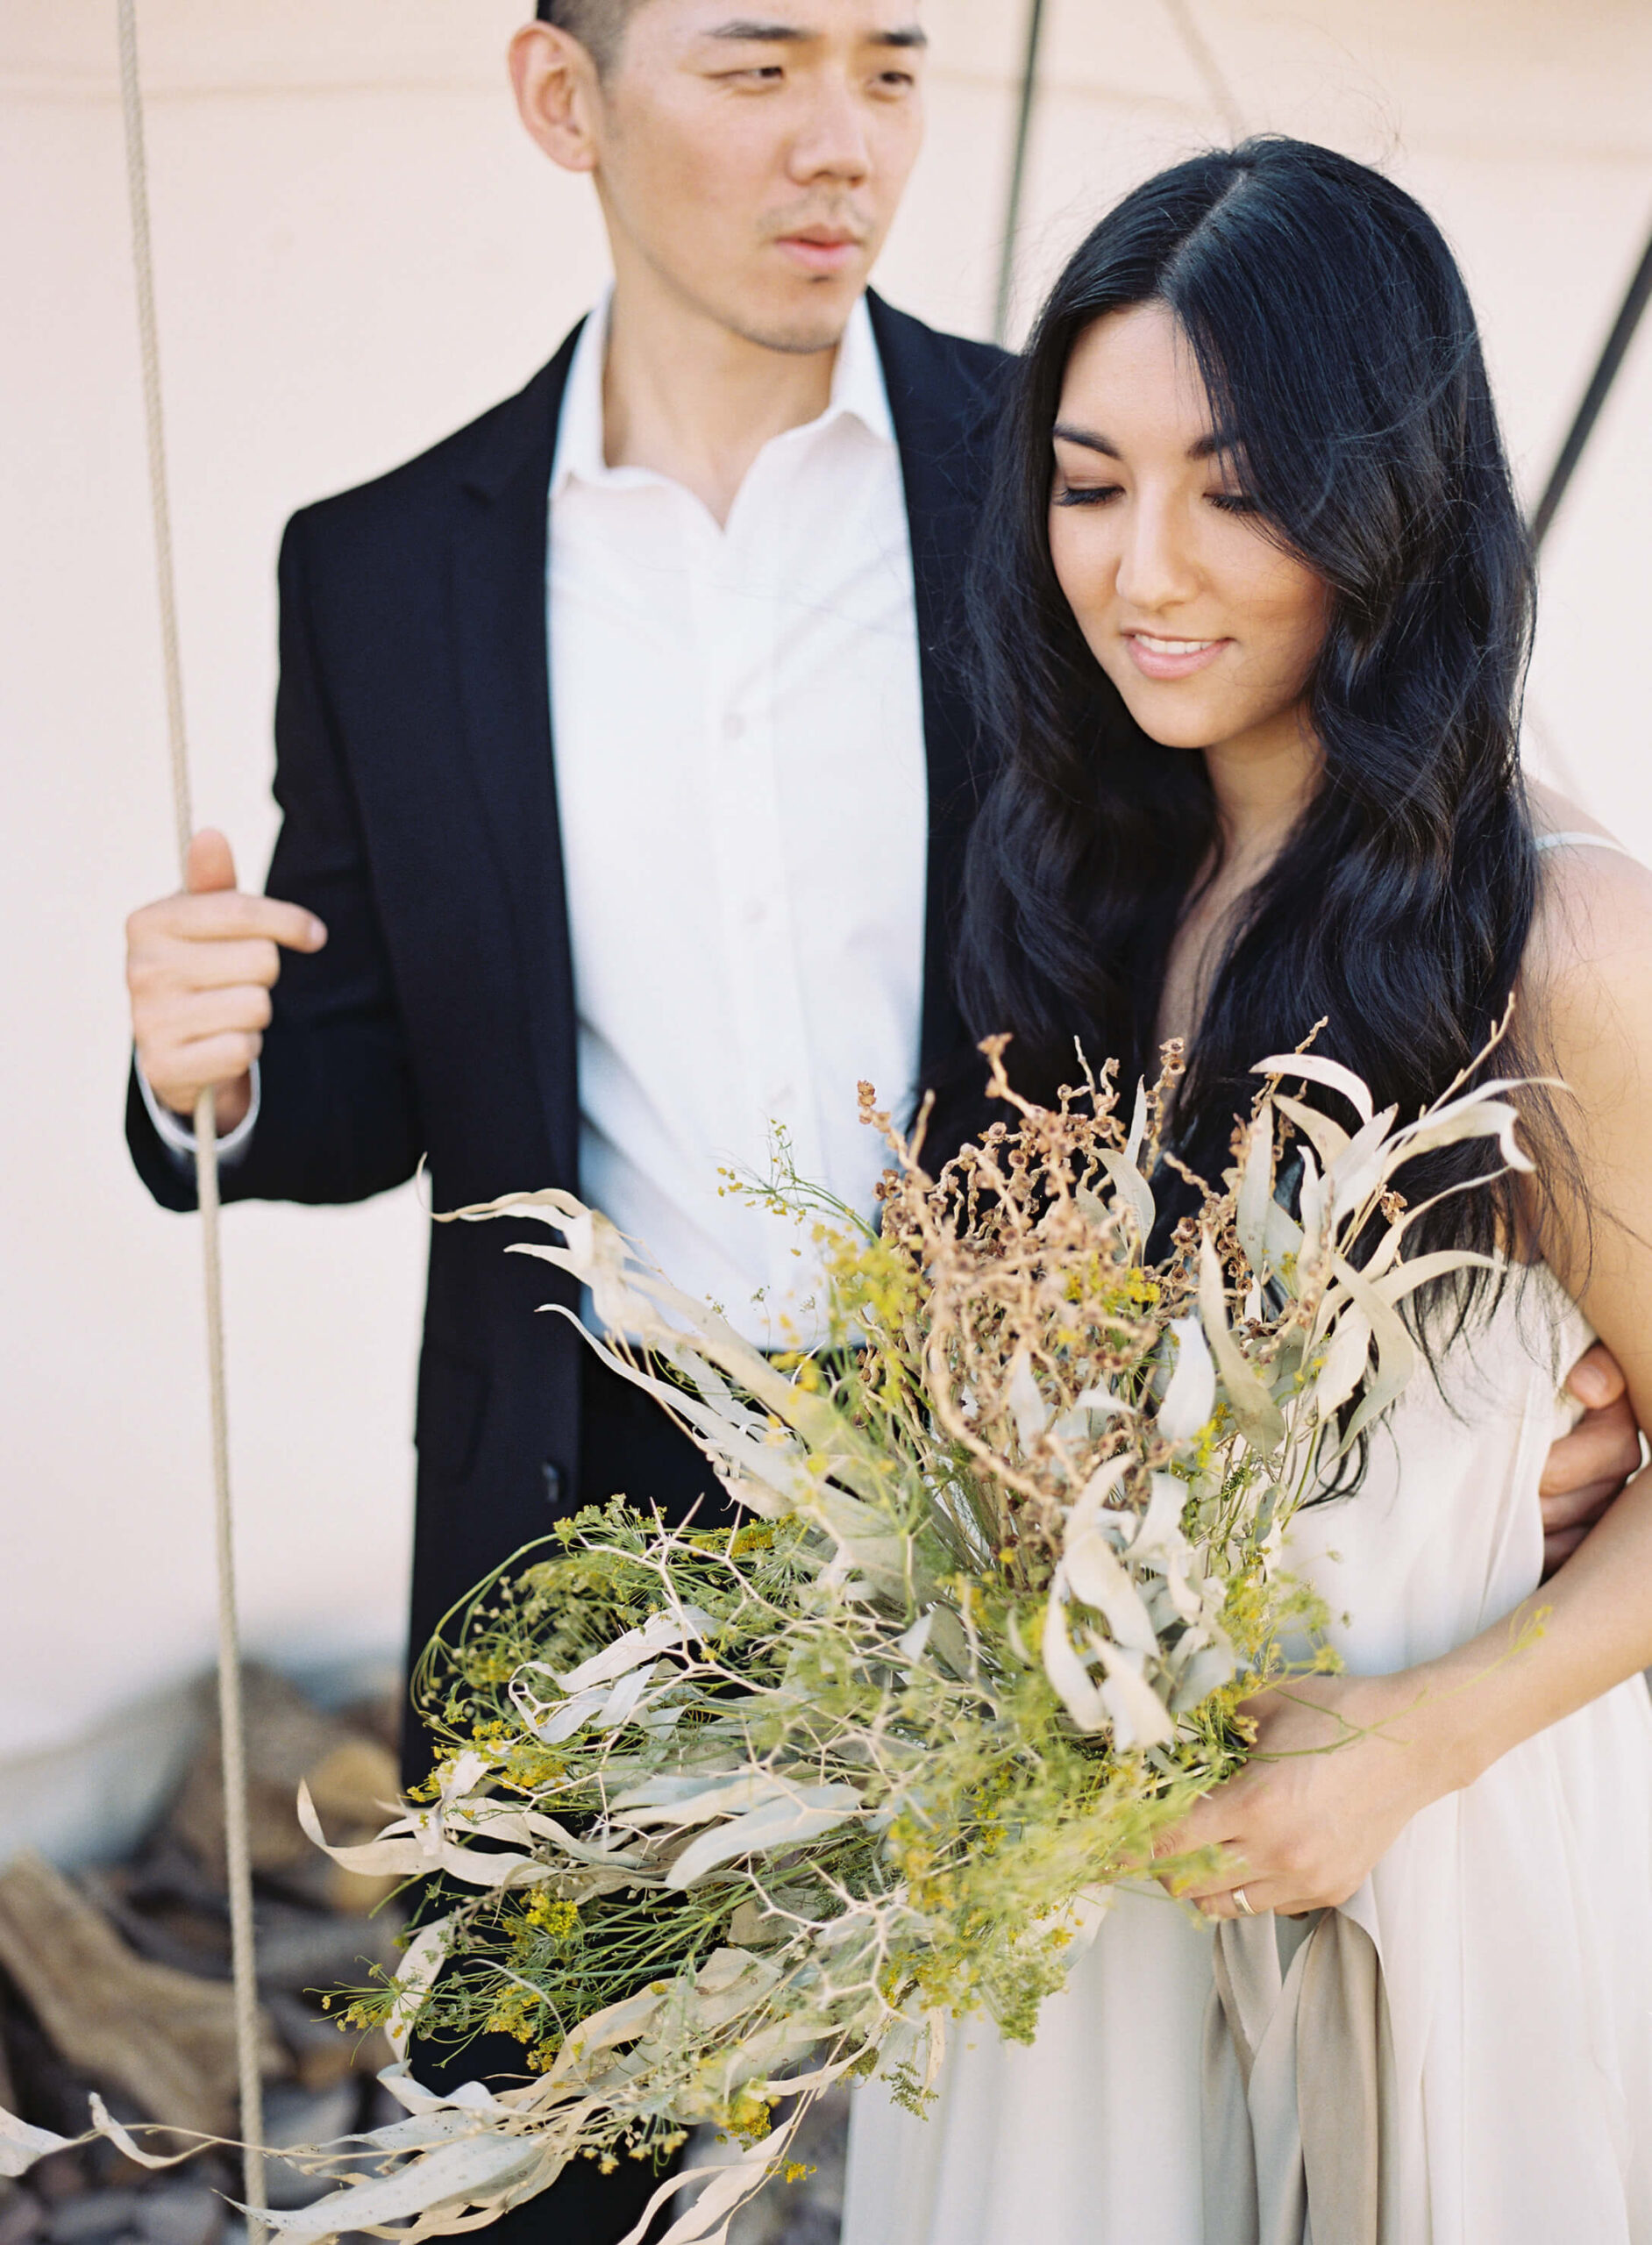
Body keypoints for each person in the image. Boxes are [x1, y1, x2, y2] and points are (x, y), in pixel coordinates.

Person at [117, 10, 1631, 2223]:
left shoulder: (1050, 457)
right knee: (549, 2177)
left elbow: (1342, 956)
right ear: (566, 101)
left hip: (1051, 1535)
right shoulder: (375, 572)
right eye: (756, 69)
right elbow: (358, 1087)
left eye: (893, 68)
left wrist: (1472, 1452)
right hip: (586, 1509)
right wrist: (207, 1065)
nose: (842, 142)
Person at [846, 137, 1652, 2242]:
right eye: (1092, 484)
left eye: (1239, 486)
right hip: (1079, 1914)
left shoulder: (1559, 942)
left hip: (1415, 1889)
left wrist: (1409, 1741)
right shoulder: (1080, 882)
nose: (1150, 570)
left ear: (1388, 507)